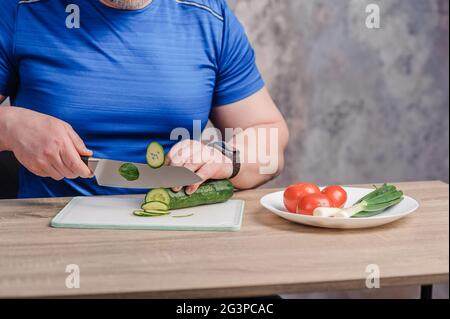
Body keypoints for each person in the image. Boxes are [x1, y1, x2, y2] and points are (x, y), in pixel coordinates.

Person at [0, 0, 289, 198]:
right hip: (53, 234)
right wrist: (9, 126)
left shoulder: (210, 17)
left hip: (181, 228)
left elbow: (268, 138)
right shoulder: (18, 10)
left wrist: (227, 157)